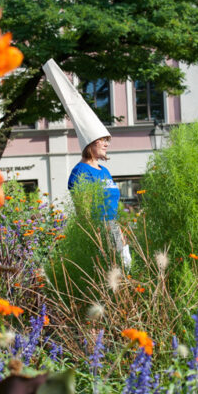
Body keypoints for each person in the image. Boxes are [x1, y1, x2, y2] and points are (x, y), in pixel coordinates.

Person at [43, 59, 132, 269]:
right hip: (98, 235)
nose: (106, 144)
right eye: (102, 140)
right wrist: (99, 242)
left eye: (107, 140)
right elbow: (85, 213)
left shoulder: (105, 170)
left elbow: (112, 209)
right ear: (90, 142)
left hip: (115, 232)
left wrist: (119, 235)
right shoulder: (80, 172)